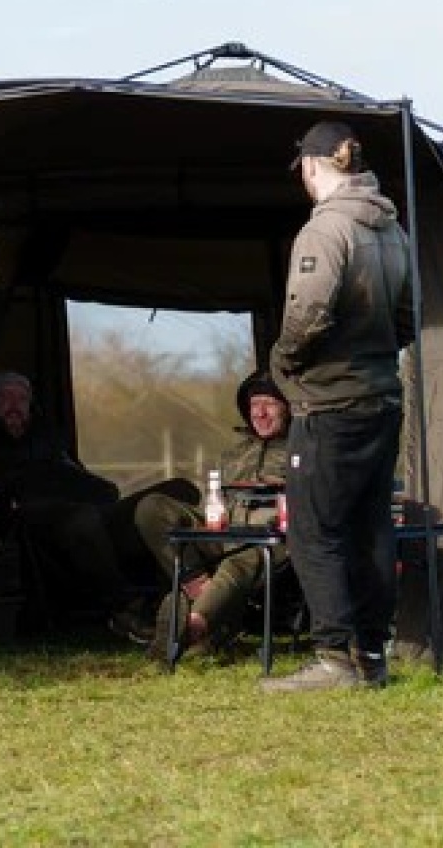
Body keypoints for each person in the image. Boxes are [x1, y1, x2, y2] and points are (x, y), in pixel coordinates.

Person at [260, 120, 415, 693]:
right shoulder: (393, 227)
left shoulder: (325, 230)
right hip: (382, 397)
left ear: (311, 166)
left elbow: (309, 314)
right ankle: (373, 657)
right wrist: (376, 357)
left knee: (314, 529)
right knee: (372, 526)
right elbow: (409, 317)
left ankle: (333, 660)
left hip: (330, 404)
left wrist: (283, 362)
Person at [0, 371, 187, 642]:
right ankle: (125, 609)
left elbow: (96, 486)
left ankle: (188, 597)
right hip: (40, 522)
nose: (15, 406)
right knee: (83, 518)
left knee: (179, 490)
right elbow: (3, 495)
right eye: (5, 398)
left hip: (94, 514)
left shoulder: (49, 439)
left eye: (22, 399)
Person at [148, 371, 294, 661]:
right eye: (254, 405)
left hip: (272, 540)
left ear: (288, 407)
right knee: (153, 508)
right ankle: (194, 585)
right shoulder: (233, 455)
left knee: (240, 561)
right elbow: (212, 502)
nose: (260, 413)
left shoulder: (303, 450)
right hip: (222, 532)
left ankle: (193, 627)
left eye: (269, 404)